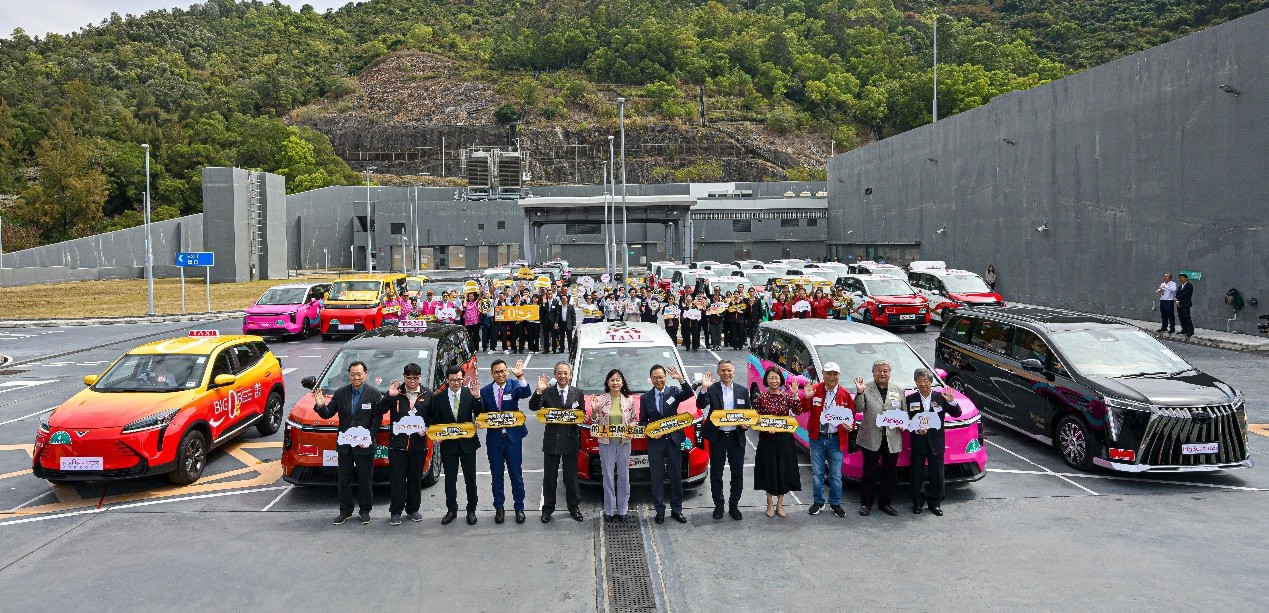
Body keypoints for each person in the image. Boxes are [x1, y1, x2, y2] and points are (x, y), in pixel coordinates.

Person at [312, 361, 387, 525]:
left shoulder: (374, 394)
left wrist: (367, 438)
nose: (356, 377)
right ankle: (345, 511)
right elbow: (327, 414)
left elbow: (376, 420)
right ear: (349, 375)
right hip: (345, 446)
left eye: (359, 374)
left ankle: (365, 511)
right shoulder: (340, 393)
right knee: (344, 480)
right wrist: (320, 405)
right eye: (353, 374)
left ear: (365, 374)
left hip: (364, 446)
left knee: (365, 480)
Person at [529, 362, 585, 523]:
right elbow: (533, 407)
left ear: (570, 375)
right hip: (552, 441)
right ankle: (548, 508)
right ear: (555, 375)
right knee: (550, 477)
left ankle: (574, 507)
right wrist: (538, 391)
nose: (562, 376)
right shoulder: (547, 392)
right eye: (559, 373)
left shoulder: (577, 392)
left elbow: (581, 414)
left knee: (571, 478)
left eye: (565, 373)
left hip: (570, 440)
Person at [797, 361, 855, 518]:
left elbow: (851, 416)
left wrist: (850, 426)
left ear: (839, 375)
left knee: (836, 475)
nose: (832, 377)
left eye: (835, 374)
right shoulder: (815, 389)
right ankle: (818, 502)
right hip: (817, 438)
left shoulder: (844, 394)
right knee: (817, 473)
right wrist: (806, 397)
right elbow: (803, 409)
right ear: (823, 374)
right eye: (829, 373)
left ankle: (835, 503)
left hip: (836, 440)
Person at [478, 359, 533, 524]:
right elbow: (481, 412)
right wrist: (477, 415)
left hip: (513, 438)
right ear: (492, 374)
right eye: (497, 372)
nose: (500, 374)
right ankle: (499, 508)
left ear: (507, 372)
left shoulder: (514, 385)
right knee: (496, 475)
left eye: (503, 371)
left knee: (516, 474)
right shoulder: (485, 391)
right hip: (494, 440)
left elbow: (526, 393)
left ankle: (519, 508)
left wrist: (520, 376)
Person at [639, 364, 694, 524]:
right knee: (656, 477)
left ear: (665, 377)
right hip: (655, 443)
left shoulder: (674, 391)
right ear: (651, 379)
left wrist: (681, 379)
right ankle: (659, 510)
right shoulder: (645, 398)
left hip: (673, 441)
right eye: (655, 378)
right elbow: (643, 421)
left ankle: (677, 509)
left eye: (661, 377)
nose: (658, 380)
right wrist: (651, 431)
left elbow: (689, 393)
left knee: (676, 476)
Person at [428, 366, 481, 525]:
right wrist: (436, 436)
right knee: (450, 480)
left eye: (459, 379)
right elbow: (435, 420)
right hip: (449, 445)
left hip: (468, 444)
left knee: (470, 479)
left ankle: (471, 510)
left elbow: (480, 413)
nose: (456, 383)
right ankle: (451, 510)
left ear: (463, 379)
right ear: (447, 380)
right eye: (452, 380)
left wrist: (478, 398)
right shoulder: (439, 398)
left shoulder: (469, 394)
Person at [696, 360, 749, 520]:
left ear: (734, 372)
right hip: (717, 437)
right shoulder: (712, 389)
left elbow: (748, 413)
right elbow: (700, 404)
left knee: (737, 474)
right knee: (716, 473)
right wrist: (704, 388)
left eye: (729, 370)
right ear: (718, 372)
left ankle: (734, 505)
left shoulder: (742, 390)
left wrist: (746, 424)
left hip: (735, 437)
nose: (726, 373)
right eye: (723, 370)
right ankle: (719, 505)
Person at [382, 362, 434, 526]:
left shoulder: (427, 394)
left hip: (418, 446)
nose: (412, 381)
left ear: (420, 377)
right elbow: (379, 410)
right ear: (404, 377)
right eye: (409, 378)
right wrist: (389, 396)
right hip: (397, 446)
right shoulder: (396, 393)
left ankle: (413, 509)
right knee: (397, 480)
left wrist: (427, 427)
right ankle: (395, 511)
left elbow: (433, 416)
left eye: (415, 378)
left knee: (415, 479)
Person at [905, 368, 961, 516]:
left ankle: (935, 503)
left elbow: (957, 414)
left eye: (926, 381)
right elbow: (904, 420)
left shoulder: (940, 398)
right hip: (918, 441)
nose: (923, 384)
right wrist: (916, 429)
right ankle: (917, 502)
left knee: (937, 474)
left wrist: (952, 401)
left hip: (936, 442)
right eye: (919, 381)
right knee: (916, 473)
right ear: (915, 382)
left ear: (931, 382)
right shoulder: (910, 399)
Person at [853, 359, 904, 517]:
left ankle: (885, 503)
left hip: (891, 438)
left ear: (890, 373)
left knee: (890, 473)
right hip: (870, 436)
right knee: (870, 472)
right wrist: (859, 393)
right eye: (879, 371)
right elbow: (859, 408)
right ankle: (866, 504)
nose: (882, 373)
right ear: (873, 373)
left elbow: (904, 411)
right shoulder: (866, 388)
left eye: (885, 371)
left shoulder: (898, 389)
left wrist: (903, 422)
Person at [753, 367, 805, 518]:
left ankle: (780, 504)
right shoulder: (761, 397)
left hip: (784, 439)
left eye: (776, 378)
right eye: (771, 378)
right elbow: (755, 418)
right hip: (767, 440)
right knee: (769, 470)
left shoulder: (787, 397)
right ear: (766, 379)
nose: (774, 381)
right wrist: (765, 427)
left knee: (783, 470)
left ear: (781, 380)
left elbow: (798, 411)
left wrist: (795, 394)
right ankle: (769, 503)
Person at [589, 369, 639, 522]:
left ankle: (623, 509)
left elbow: (634, 420)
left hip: (624, 443)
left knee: (624, 476)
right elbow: (594, 421)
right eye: (612, 380)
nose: (615, 383)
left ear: (622, 382)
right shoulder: (601, 400)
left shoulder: (629, 400)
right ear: (608, 382)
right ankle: (609, 510)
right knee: (608, 477)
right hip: (606, 443)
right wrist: (594, 410)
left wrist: (631, 429)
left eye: (618, 380)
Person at [542, 290, 560, 354]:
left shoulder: (556, 302)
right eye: (548, 294)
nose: (549, 295)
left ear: (552, 294)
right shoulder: (545, 302)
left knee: (554, 336)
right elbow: (542, 313)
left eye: (551, 294)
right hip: (546, 322)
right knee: (545, 336)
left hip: (553, 322)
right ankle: (546, 349)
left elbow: (557, 313)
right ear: (547, 295)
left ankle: (554, 349)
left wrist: (556, 322)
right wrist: (543, 305)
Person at [1176, 273, 1195, 338]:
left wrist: (1177, 298)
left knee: (1187, 317)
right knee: (1181, 317)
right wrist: (1176, 300)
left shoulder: (1189, 286)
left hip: (1186, 304)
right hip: (1179, 304)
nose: (1181, 279)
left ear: (1186, 278)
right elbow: (1177, 294)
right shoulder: (1180, 287)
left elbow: (1186, 294)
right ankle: (1184, 329)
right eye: (1180, 278)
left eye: (1182, 277)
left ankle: (1190, 331)